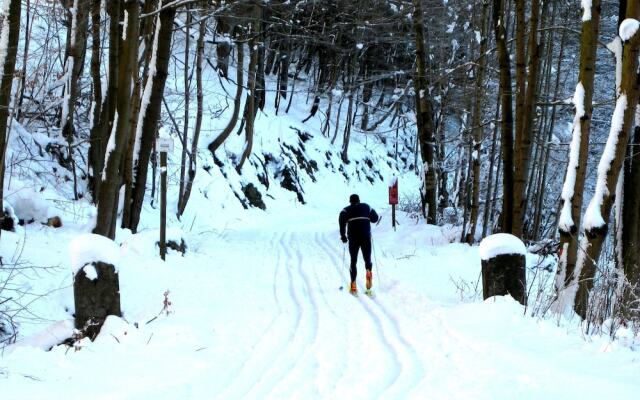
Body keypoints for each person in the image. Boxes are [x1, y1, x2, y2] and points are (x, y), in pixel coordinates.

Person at [339, 194, 379, 295]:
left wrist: (343, 236)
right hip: (366, 237)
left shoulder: (345, 210)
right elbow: (375, 218)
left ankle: (353, 286)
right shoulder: (366, 207)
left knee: (353, 261)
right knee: (367, 260)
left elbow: (341, 221)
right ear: (359, 200)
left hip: (353, 238)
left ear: (350, 201)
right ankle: (369, 282)